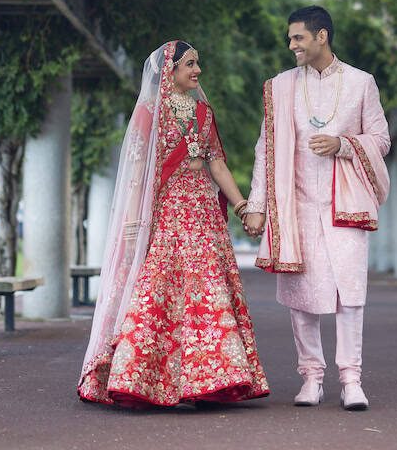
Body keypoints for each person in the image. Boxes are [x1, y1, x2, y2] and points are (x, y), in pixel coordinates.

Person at [77, 41, 269, 407]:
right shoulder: (150, 112)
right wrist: (134, 218)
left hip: (203, 213)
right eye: (190, 64)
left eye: (198, 63)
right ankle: (142, 378)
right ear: (171, 70)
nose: (197, 71)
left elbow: (216, 162)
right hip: (165, 212)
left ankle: (212, 379)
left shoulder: (203, 112)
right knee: (158, 288)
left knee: (209, 288)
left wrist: (242, 204)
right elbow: (136, 168)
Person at [242, 6, 390, 411]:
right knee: (302, 293)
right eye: (290, 39)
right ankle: (311, 377)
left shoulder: (361, 83)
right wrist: (257, 205)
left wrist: (343, 145)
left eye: (298, 38)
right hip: (297, 204)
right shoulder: (282, 86)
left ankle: (351, 380)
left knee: (350, 292)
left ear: (321, 36)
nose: (291, 45)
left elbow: (380, 138)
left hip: (345, 203)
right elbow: (265, 148)